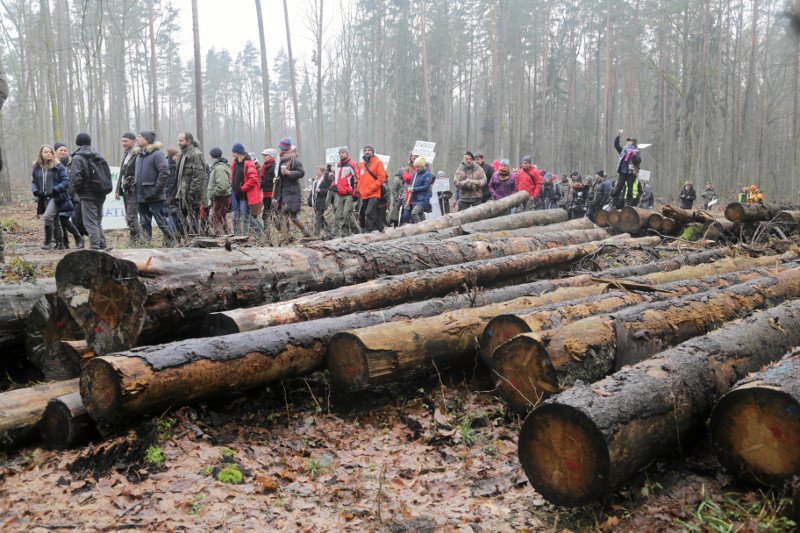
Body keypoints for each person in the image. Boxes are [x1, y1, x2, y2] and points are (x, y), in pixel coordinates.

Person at [70, 133, 111, 250]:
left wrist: (80, 192)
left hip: (87, 195)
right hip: (101, 193)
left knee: (90, 223)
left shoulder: (78, 157)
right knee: (97, 221)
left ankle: (95, 247)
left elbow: (76, 178)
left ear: (78, 142)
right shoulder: (98, 155)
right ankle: (102, 245)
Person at [134, 131, 176, 246]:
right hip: (141, 197)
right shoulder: (139, 156)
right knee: (144, 223)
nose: (137, 139)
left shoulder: (157, 154)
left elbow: (164, 173)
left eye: (140, 137)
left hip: (155, 197)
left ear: (147, 140)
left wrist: (155, 190)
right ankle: (147, 246)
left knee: (162, 222)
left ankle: (172, 244)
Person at [31, 145, 73, 250]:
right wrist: (35, 190)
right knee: (55, 220)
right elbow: (34, 182)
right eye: (45, 152)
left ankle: (48, 242)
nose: (48, 153)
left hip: (56, 196)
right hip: (43, 197)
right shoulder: (36, 167)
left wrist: (56, 189)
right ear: (41, 154)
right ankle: (61, 244)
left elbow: (66, 181)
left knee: (47, 216)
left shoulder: (58, 166)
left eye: (50, 152)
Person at [173, 132, 206, 238]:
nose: (179, 143)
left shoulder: (196, 155)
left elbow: (199, 177)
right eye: (178, 140)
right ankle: (184, 240)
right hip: (181, 194)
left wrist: (192, 193)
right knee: (180, 219)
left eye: (181, 140)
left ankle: (195, 241)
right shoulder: (181, 155)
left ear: (189, 141)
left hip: (192, 195)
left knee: (193, 221)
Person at [274, 136, 307, 241]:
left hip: (292, 192)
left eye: (281, 148)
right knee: (283, 216)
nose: (279, 150)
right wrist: (275, 179)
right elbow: (278, 176)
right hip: (283, 193)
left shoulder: (294, 159)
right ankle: (287, 238)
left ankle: (306, 232)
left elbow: (301, 173)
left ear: (285, 150)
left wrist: (289, 173)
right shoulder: (280, 160)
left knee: (293, 217)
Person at [54, 142, 84, 248]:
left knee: (65, 219)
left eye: (65, 150)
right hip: (57, 196)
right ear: (55, 152)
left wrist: (77, 195)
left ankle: (78, 238)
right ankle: (64, 243)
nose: (63, 152)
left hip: (71, 196)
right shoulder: (52, 164)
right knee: (60, 220)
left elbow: (77, 179)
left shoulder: (72, 162)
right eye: (60, 150)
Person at [229, 143, 261, 235]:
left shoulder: (249, 164)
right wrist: (233, 187)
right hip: (235, 195)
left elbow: (253, 180)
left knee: (246, 217)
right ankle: (237, 235)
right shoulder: (234, 163)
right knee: (235, 216)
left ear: (239, 153)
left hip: (244, 196)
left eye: (234, 152)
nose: (232, 154)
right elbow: (232, 177)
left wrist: (242, 189)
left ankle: (260, 234)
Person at [116, 132, 142, 243]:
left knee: (132, 216)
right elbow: (122, 173)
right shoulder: (126, 154)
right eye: (122, 141)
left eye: (126, 141)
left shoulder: (137, 154)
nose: (123, 143)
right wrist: (118, 189)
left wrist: (132, 184)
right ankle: (134, 239)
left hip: (133, 190)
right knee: (128, 216)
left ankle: (135, 241)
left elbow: (137, 173)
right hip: (125, 189)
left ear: (134, 141)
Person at [357, 144, 387, 233]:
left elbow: (381, 178)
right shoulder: (361, 164)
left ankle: (368, 232)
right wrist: (359, 188)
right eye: (365, 150)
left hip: (374, 192)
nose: (367, 152)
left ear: (372, 152)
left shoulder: (378, 163)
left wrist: (373, 187)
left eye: (369, 150)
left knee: (369, 213)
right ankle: (380, 228)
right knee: (363, 213)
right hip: (364, 193)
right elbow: (359, 178)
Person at [332, 148, 360, 236]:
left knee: (346, 213)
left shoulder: (352, 164)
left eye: (343, 152)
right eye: (340, 153)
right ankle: (344, 234)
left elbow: (357, 178)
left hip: (350, 193)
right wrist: (334, 185)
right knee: (339, 215)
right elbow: (336, 177)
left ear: (347, 154)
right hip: (340, 194)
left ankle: (356, 231)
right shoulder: (338, 165)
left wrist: (355, 192)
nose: (341, 154)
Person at [610, 130, 642, 206]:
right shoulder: (623, 150)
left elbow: (638, 161)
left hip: (631, 172)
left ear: (633, 142)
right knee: (619, 186)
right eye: (628, 140)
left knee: (630, 187)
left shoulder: (636, 151)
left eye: (630, 141)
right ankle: (612, 200)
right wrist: (618, 136)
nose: (628, 141)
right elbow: (616, 145)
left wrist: (634, 155)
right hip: (623, 171)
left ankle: (629, 203)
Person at [206, 147, 231, 235]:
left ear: (211, 156)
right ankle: (228, 237)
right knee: (221, 220)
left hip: (221, 198)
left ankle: (219, 240)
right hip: (220, 198)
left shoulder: (219, 168)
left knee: (216, 222)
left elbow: (222, 186)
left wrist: (212, 194)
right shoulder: (218, 166)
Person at [403, 157, 433, 223]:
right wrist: (410, 188)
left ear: (422, 166)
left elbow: (426, 187)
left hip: (423, 199)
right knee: (420, 216)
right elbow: (411, 183)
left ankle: (419, 227)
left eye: (418, 167)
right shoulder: (415, 174)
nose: (417, 169)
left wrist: (414, 189)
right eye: (416, 167)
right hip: (415, 199)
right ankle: (426, 227)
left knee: (414, 213)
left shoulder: (428, 174)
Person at [310, 165, 333, 237]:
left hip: (322, 202)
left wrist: (321, 190)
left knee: (317, 218)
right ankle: (329, 232)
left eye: (318, 171)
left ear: (322, 172)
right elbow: (313, 191)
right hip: (315, 202)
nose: (316, 172)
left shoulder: (327, 180)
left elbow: (329, 190)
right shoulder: (315, 180)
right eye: (316, 170)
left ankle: (316, 234)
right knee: (321, 218)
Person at [260, 148, 278, 226]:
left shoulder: (275, 167)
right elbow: (262, 180)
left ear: (271, 156)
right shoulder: (264, 167)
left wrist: (276, 180)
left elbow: (278, 180)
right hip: (266, 194)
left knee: (270, 216)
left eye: (266, 155)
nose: (264, 157)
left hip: (272, 195)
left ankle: (284, 233)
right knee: (266, 216)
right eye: (263, 155)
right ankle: (267, 235)